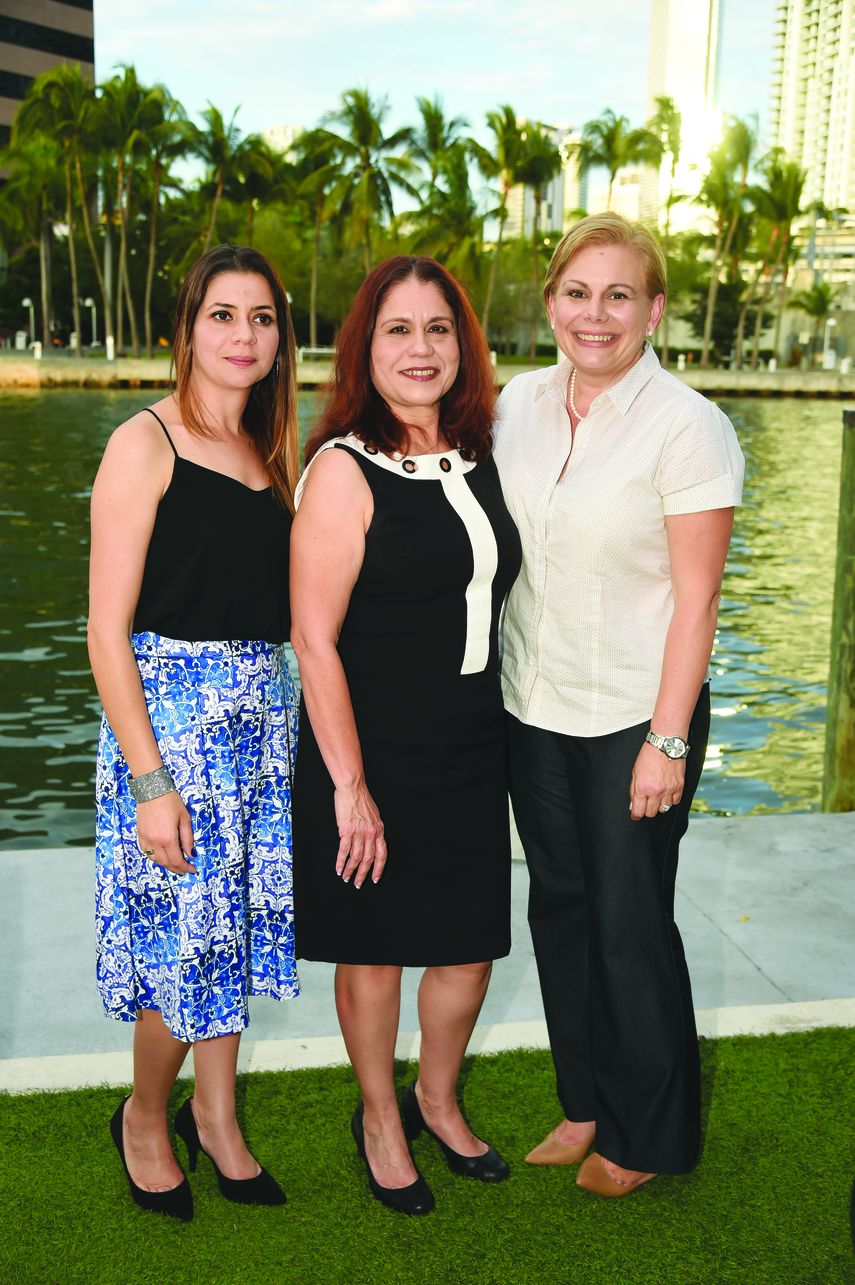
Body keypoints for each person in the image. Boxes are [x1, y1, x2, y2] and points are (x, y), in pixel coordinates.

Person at [494, 213, 744, 1198]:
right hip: (532, 702)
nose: (593, 314)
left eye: (617, 295)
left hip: (636, 716)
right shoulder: (516, 404)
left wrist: (667, 740)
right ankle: (586, 1100)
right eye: (576, 292)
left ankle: (648, 1134)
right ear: (550, 301)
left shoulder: (688, 425)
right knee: (559, 908)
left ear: (654, 310)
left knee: (628, 920)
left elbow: (699, 599)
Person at [290, 255, 521, 1215]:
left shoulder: (481, 450)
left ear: (462, 344)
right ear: (365, 347)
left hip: (470, 741)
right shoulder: (342, 468)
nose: (419, 348)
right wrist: (350, 787)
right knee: (377, 948)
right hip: (370, 747)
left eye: (437, 328)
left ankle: (436, 1096)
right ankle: (380, 1117)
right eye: (397, 329)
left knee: (467, 946)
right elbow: (312, 638)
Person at [88, 244, 300, 1221]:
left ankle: (215, 1117)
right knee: (184, 944)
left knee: (230, 934)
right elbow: (105, 630)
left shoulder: (269, 451)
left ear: (280, 338)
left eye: (261, 317)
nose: (242, 335)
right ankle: (144, 1114)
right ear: (186, 329)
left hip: (257, 730)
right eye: (222, 314)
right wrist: (149, 780)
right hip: (172, 733)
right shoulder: (145, 442)